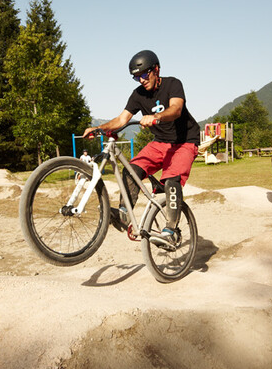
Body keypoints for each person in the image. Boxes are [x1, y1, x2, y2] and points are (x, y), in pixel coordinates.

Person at [83, 50, 200, 239]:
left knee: (171, 181)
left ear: (156, 70)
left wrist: (156, 117)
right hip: (160, 143)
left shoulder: (173, 84)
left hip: (184, 142)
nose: (141, 80)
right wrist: (99, 128)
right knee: (131, 170)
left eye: (144, 74)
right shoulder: (138, 94)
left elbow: (176, 109)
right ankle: (124, 214)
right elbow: (122, 119)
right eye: (137, 77)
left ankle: (170, 230)